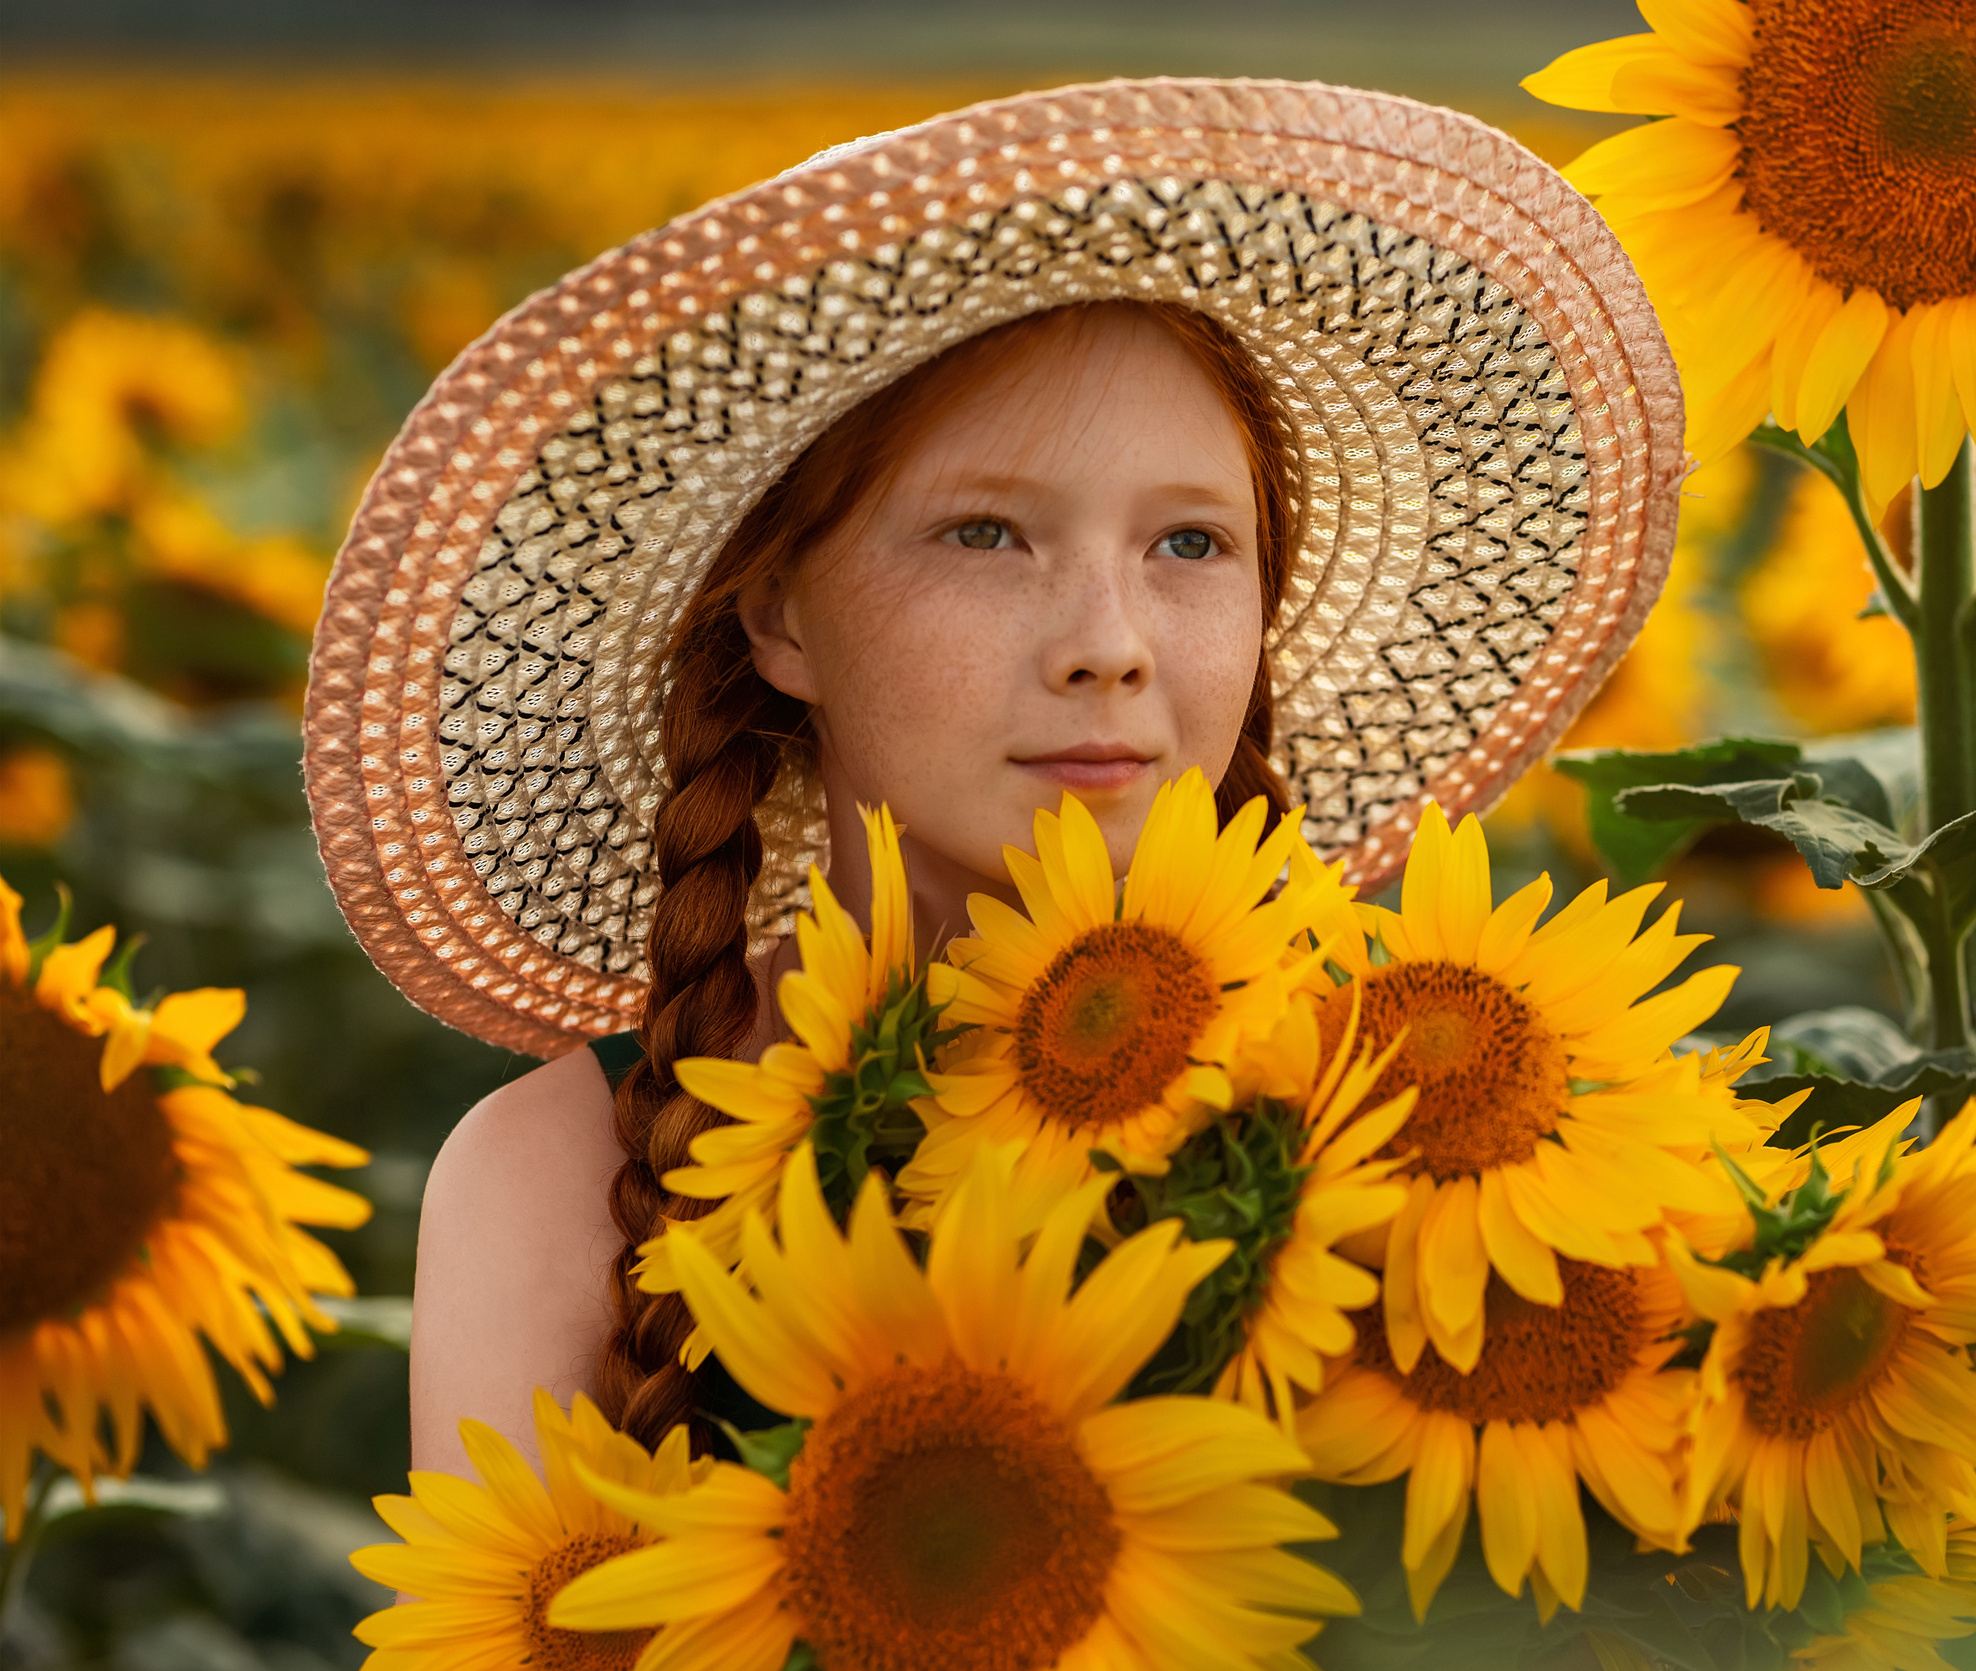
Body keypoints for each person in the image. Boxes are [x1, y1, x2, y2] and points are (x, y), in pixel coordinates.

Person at [299, 77, 1687, 1480]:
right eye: (986, 535)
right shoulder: (557, 1180)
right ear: (781, 619)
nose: (1107, 645)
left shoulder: (1428, 1095)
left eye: (1191, 545)